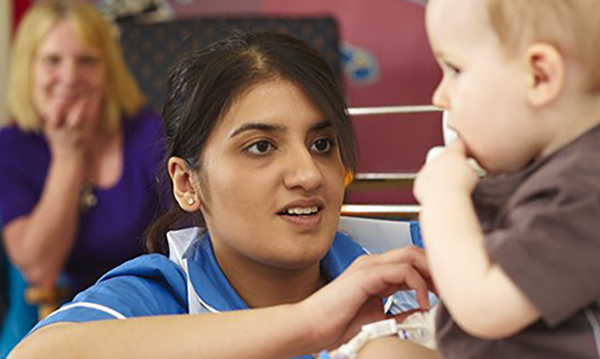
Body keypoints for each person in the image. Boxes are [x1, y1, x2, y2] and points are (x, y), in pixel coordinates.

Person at [9, 32, 435, 359]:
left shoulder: (414, 258)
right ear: (186, 184)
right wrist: (311, 322)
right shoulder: (166, 293)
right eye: (261, 147)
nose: (309, 174)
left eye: (321, 144)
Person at [397, 0, 600, 358]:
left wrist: (444, 198)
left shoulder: (585, 189)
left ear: (540, 75)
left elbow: (484, 307)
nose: (439, 96)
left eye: (455, 70)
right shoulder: (551, 170)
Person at [0, 0, 164, 348]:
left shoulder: (150, 134)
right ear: (28, 69)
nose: (70, 77)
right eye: (52, 60)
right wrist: (70, 153)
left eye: (87, 60)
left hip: (149, 317)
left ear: (110, 70)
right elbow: (39, 269)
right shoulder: (11, 146)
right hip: (58, 326)